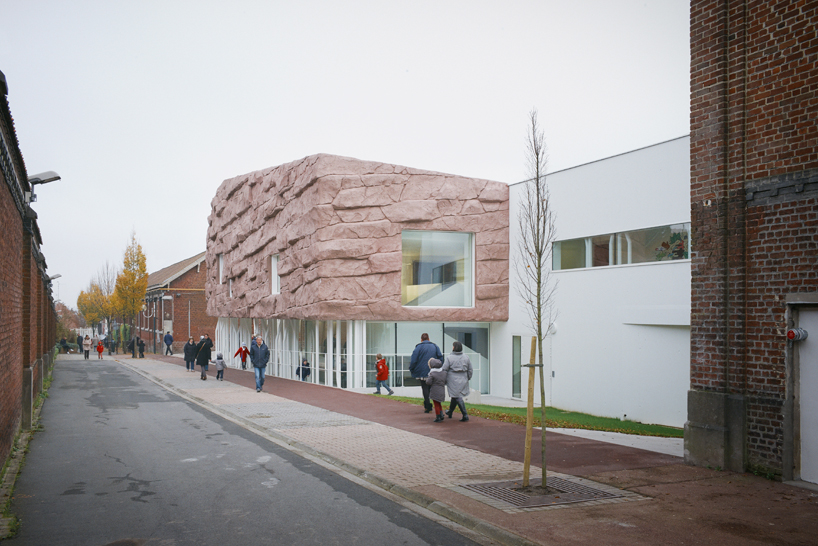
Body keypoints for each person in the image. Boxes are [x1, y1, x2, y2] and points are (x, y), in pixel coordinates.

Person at [409, 333, 442, 413]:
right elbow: (440, 357)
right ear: (429, 339)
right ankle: (436, 407)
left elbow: (414, 359)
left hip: (422, 371)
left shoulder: (418, 347)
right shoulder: (435, 346)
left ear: (421, 339)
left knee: (425, 388)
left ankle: (427, 406)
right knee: (431, 388)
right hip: (433, 371)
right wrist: (440, 367)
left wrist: (411, 368)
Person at [443, 341, 474, 422]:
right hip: (463, 379)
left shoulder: (449, 358)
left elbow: (444, 369)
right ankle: (450, 412)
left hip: (452, 380)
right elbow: (470, 369)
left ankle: (465, 414)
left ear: (454, 347)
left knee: (457, 397)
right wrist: (468, 378)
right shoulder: (466, 357)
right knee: (455, 396)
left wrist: (445, 380)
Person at [426, 358, 448, 422]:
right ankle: (441, 415)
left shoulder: (432, 373)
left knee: (436, 404)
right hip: (442, 390)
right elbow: (446, 381)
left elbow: (428, 382)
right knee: (439, 403)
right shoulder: (444, 372)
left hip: (434, 391)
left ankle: (438, 417)